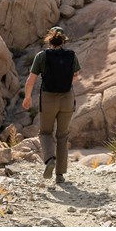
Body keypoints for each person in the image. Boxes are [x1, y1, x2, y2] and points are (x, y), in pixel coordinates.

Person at [22, 26, 81, 184]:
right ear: (63, 40)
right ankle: (60, 175)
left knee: (46, 133)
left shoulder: (42, 56)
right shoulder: (71, 55)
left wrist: (27, 97)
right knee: (62, 136)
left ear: (49, 39)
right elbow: (75, 77)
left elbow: (30, 81)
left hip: (48, 98)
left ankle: (50, 160)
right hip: (67, 98)